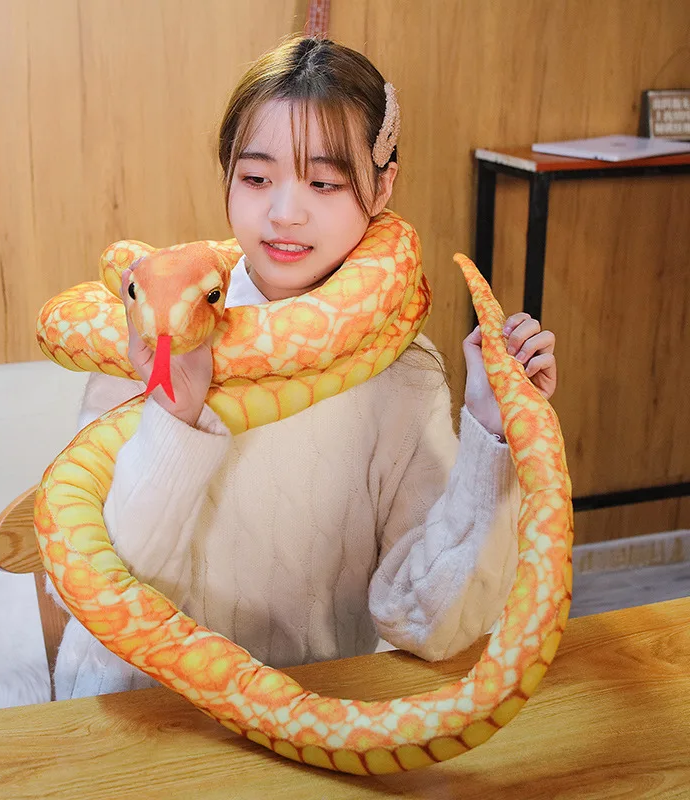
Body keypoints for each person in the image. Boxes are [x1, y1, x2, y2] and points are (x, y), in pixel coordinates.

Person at [51, 35, 557, 701]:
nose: (285, 213)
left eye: (323, 183)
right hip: (137, 707)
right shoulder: (154, 324)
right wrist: (176, 412)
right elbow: (98, 589)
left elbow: (428, 623)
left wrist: (493, 433)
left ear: (382, 186)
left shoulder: (402, 372)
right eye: (256, 179)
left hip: (310, 711)